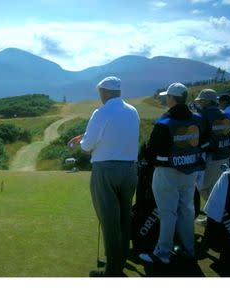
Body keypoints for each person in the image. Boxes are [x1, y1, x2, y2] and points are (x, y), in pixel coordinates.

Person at [68, 76, 140, 277]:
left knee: (109, 221)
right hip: (129, 170)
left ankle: (112, 271)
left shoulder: (100, 112)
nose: (99, 95)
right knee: (125, 218)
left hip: (106, 171)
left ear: (105, 92)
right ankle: (120, 263)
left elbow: (88, 146)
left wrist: (82, 143)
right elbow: (117, 136)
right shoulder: (132, 111)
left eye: (100, 92)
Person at [139, 83, 206, 265]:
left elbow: (152, 150)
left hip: (167, 172)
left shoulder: (165, 121)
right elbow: (204, 142)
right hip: (190, 172)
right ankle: (188, 249)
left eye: (166, 97)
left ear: (172, 98)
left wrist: (146, 153)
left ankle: (162, 253)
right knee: (186, 210)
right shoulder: (197, 119)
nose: (165, 99)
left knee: (168, 212)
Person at [194, 89, 230, 222]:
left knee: (203, 188)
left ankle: (222, 218)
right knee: (214, 189)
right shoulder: (224, 113)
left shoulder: (205, 114)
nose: (199, 103)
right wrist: (228, 137)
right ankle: (215, 219)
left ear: (206, 101)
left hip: (213, 157)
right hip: (225, 156)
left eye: (201, 101)